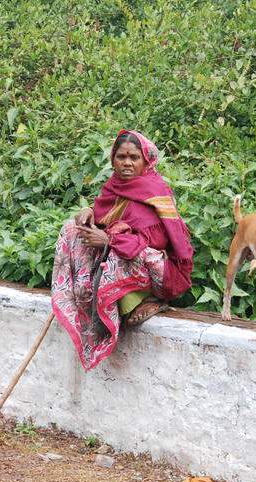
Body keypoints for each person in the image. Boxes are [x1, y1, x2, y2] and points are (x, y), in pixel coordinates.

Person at [51, 129, 194, 370]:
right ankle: (82, 296)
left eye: (134, 158)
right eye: (121, 157)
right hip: (123, 259)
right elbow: (111, 217)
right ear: (113, 159)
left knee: (117, 251)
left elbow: (156, 241)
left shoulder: (155, 191)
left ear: (145, 161)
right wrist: (90, 214)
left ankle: (148, 300)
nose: (127, 163)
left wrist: (107, 239)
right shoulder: (114, 187)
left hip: (161, 270)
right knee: (72, 231)